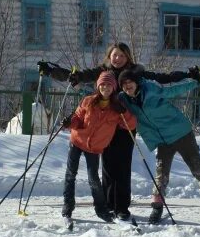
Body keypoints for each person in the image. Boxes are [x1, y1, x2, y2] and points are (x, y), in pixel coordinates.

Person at [38, 42, 190, 221]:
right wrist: (50, 71)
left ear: (128, 58)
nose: (117, 59)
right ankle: (109, 205)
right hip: (105, 127)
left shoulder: (134, 72)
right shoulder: (103, 71)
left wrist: (188, 75)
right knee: (108, 167)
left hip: (125, 124)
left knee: (122, 167)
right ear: (109, 56)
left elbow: (162, 78)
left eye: (122, 56)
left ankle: (122, 207)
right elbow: (77, 76)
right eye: (115, 55)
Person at [117, 67, 200, 224]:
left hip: (181, 133)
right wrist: (79, 88)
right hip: (162, 140)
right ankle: (157, 207)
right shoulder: (123, 99)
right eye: (124, 84)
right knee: (161, 175)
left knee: (198, 169)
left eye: (130, 82)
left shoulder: (151, 89)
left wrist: (195, 82)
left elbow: (174, 89)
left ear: (136, 82)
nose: (128, 86)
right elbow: (101, 96)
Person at [60, 71, 137, 222]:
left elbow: (131, 124)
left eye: (109, 85)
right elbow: (77, 118)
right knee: (70, 175)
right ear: (98, 86)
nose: (106, 87)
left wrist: (125, 113)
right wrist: (69, 123)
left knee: (93, 179)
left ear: (113, 88)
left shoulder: (116, 108)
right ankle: (68, 205)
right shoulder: (88, 101)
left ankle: (101, 209)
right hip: (77, 141)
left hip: (94, 148)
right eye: (103, 84)